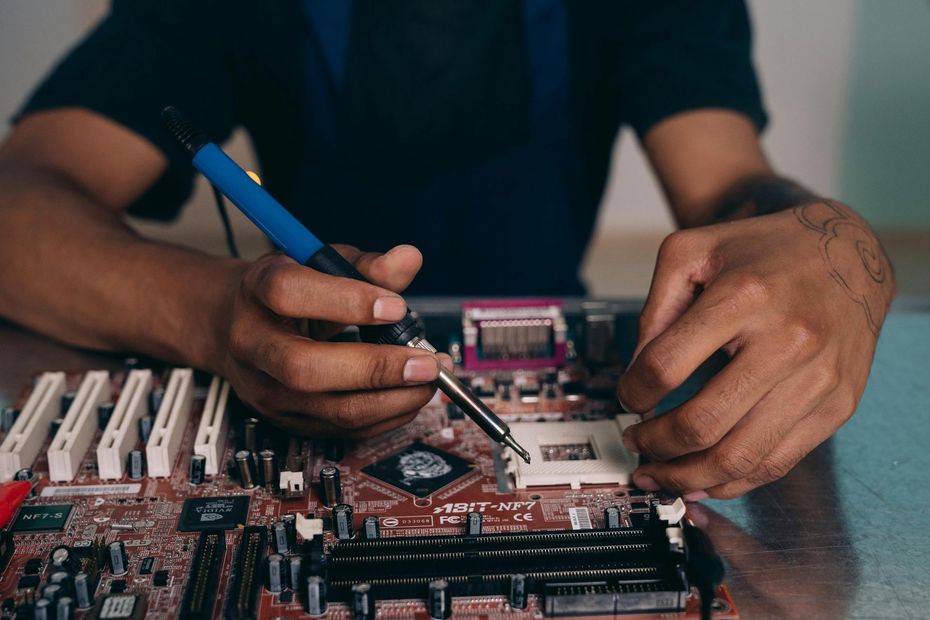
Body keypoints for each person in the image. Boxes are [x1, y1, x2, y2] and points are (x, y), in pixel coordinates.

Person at [0, 1, 895, 500]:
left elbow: (733, 187)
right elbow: (18, 202)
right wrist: (212, 313)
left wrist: (827, 241)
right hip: (302, 366)